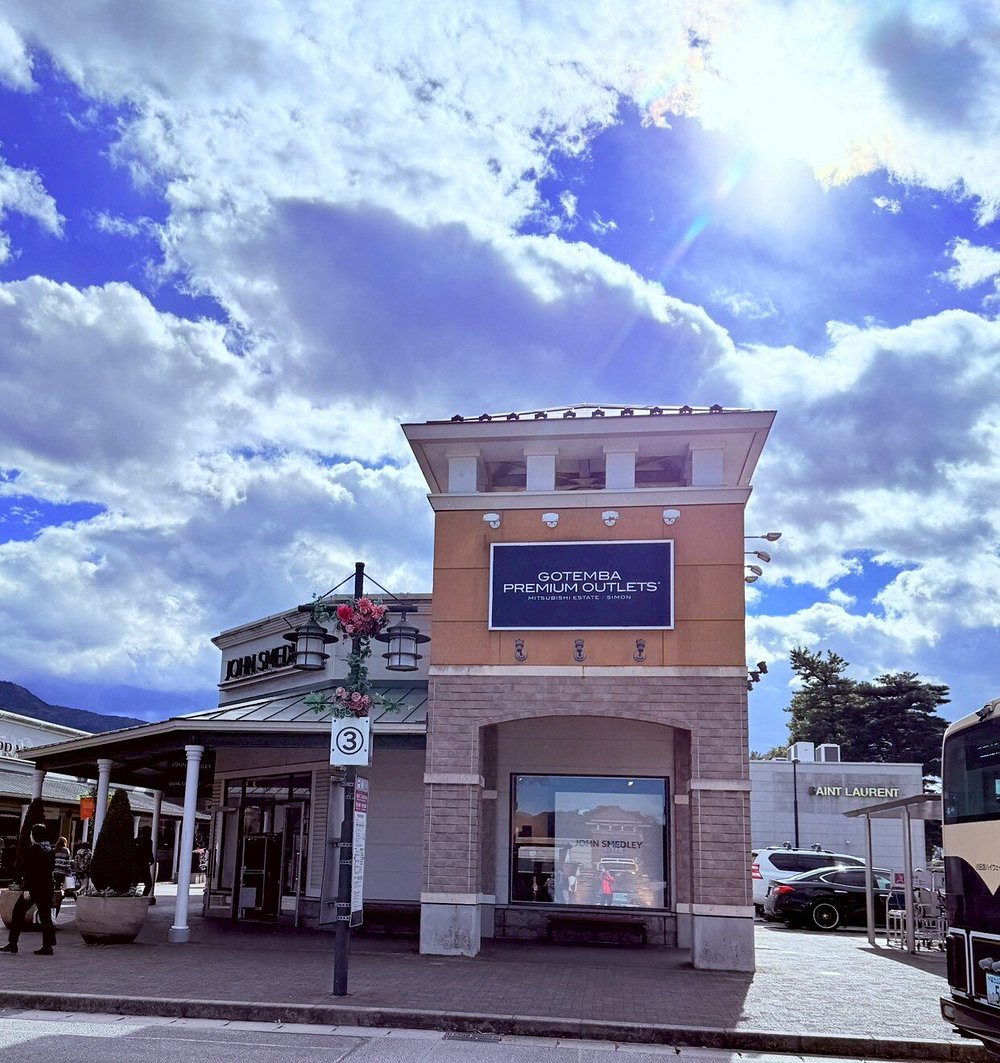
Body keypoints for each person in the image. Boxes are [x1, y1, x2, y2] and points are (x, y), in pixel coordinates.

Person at [0, 823, 56, 956]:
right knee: (46, 917)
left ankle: (13, 944)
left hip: (34, 888)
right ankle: (48, 946)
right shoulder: (50, 850)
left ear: (35, 835)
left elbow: (30, 870)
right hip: (47, 887)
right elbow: (50, 869)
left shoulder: (34, 850)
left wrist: (27, 889)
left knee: (18, 912)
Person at [133, 826, 155, 901]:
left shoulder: (137, 841)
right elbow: (149, 852)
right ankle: (142, 897)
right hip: (142, 864)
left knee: (136, 882)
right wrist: (151, 859)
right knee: (147, 883)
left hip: (140, 864)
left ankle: (140, 897)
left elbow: (149, 852)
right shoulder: (147, 841)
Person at [51, 836, 72, 918]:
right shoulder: (66, 850)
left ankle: (53, 899)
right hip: (61, 872)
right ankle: (56, 902)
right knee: (58, 888)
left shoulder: (54, 850)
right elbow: (67, 863)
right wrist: (68, 872)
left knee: (53, 888)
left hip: (54, 872)